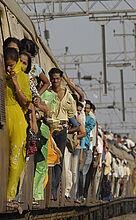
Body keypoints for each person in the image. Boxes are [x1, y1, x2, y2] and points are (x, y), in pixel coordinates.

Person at [4, 47, 32, 204]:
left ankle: (9, 195)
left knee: (15, 158)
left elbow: (25, 102)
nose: (9, 68)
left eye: (11, 65)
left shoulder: (24, 78)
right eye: (7, 65)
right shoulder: (2, 74)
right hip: (3, 116)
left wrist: (15, 83)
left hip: (17, 119)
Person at [47, 68, 76, 201]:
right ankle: (46, 188)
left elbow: (71, 113)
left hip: (62, 129)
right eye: (53, 78)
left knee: (59, 159)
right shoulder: (47, 93)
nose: (55, 81)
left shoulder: (67, 95)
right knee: (48, 158)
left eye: (57, 78)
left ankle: (53, 189)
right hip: (50, 128)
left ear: (61, 79)